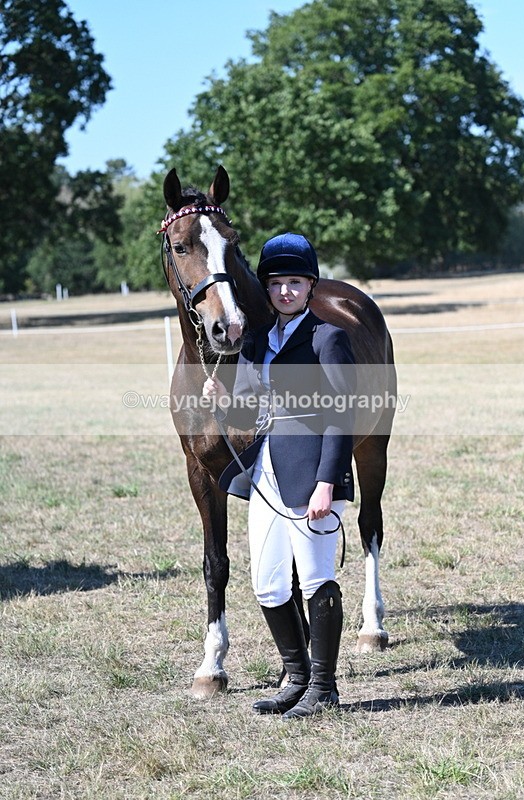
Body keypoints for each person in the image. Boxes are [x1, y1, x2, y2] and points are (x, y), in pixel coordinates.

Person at [203, 232, 355, 720]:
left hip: (311, 475)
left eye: (295, 282)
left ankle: (324, 687)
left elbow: (342, 415)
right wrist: (222, 398)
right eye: (276, 283)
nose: (285, 291)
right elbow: (250, 407)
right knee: (268, 583)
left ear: (311, 286)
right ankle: (296, 678)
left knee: (315, 577)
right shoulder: (258, 342)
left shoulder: (328, 338)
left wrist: (327, 484)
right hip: (264, 475)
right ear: (265, 289)